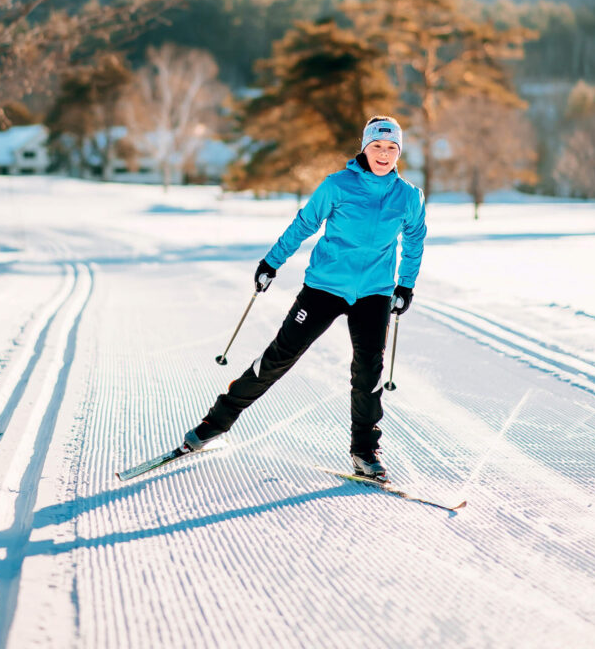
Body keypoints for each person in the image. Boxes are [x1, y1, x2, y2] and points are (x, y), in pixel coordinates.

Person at [183, 115, 427, 480]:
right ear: (364, 148)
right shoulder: (337, 185)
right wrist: (272, 262)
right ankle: (215, 422)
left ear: (399, 153)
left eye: (391, 148)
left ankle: (365, 450)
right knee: (280, 357)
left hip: (374, 293)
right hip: (324, 288)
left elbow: (415, 240)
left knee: (368, 373)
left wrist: (405, 286)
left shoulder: (408, 196)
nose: (384, 154)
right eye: (377, 146)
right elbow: (304, 224)